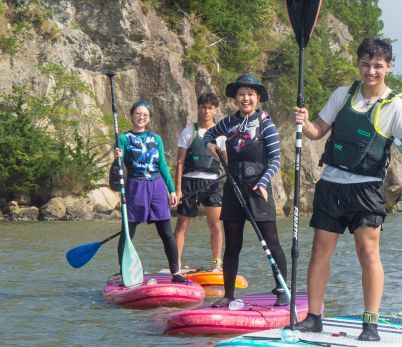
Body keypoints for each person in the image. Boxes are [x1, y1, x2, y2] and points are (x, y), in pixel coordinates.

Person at [290, 37, 402, 341]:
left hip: (366, 190)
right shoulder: (342, 94)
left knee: (367, 253)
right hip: (331, 184)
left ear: (388, 67)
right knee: (320, 251)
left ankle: (370, 324)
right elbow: (316, 132)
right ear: (358, 64)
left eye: (378, 65)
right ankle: (313, 317)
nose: (371, 70)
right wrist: (304, 121)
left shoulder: (396, 106)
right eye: (366, 64)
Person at [202, 74, 288, 306]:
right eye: (241, 94)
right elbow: (208, 135)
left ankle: (282, 289)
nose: (246, 98)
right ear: (236, 98)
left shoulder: (266, 124)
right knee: (232, 245)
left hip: (258, 189)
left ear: (258, 97)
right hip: (232, 188)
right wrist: (210, 145)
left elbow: (275, 160)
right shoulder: (228, 122)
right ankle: (228, 294)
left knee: (272, 241)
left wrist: (263, 182)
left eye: (250, 94)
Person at [113, 100, 183, 283]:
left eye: (145, 115)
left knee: (166, 232)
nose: (141, 117)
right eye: (137, 114)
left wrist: (172, 190)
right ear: (131, 116)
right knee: (128, 232)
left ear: (149, 118)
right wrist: (117, 158)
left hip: (157, 186)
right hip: (135, 186)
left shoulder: (156, 139)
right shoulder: (123, 139)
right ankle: (125, 273)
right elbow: (117, 170)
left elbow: (162, 166)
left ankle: (175, 272)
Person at [174, 92, 226, 271]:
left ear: (215, 110)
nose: (206, 111)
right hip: (190, 182)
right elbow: (180, 162)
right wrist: (178, 189)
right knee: (182, 224)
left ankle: (217, 265)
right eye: (203, 107)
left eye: (210, 108)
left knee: (215, 225)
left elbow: (227, 162)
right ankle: (176, 263)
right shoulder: (189, 131)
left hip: (213, 183)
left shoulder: (220, 134)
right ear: (198, 108)